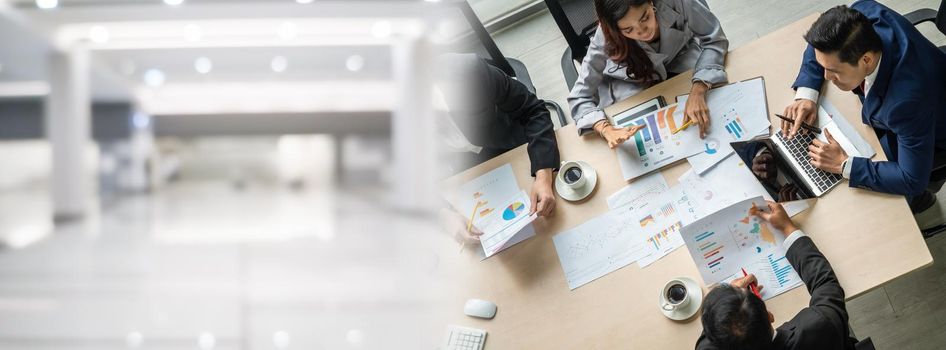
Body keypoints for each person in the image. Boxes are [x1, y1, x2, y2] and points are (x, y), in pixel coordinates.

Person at [784, 1, 946, 223]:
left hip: (929, 130)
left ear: (866, 60)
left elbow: (912, 178)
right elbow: (819, 47)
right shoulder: (862, 13)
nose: (826, 77)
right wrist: (807, 93)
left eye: (833, 71)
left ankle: (917, 204)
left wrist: (843, 164)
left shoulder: (906, 103)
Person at [696, 201, 858, 350]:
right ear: (769, 316)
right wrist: (788, 227)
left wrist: (722, 307)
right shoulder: (821, 326)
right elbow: (826, 285)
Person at [435, 54, 561, 244]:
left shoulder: (466, 70)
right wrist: (442, 213)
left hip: (506, 145)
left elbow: (533, 111)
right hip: (456, 171)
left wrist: (543, 175)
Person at [569, 0, 729, 148]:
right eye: (628, 29)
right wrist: (604, 128)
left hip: (680, 58)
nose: (642, 32)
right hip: (632, 81)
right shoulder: (604, 35)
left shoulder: (680, 2)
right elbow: (579, 96)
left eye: (645, 17)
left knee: (716, 107)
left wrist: (699, 88)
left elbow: (714, 40)